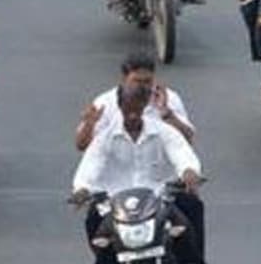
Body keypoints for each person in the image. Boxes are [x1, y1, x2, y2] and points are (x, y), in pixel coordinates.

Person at [71, 84, 204, 264]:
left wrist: (189, 171)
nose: (132, 115)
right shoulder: (105, 138)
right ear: (120, 107)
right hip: (115, 207)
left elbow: (181, 152)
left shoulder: (163, 131)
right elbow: (91, 164)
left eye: (137, 109)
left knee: (186, 231)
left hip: (159, 202)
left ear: (143, 106)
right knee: (98, 239)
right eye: (128, 110)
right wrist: (82, 189)